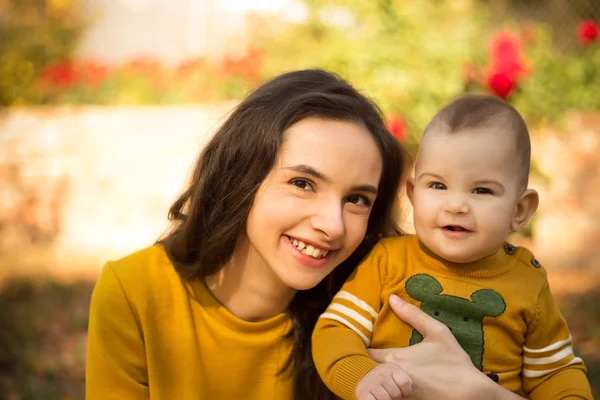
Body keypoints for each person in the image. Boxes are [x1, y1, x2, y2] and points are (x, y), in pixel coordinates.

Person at [86, 70, 531, 400]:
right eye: (302, 183)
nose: (333, 225)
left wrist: (485, 395)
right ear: (241, 175)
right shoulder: (134, 292)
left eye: (357, 199)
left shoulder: (379, 305)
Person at [312, 94, 593, 400]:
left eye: (482, 190)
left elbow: (557, 374)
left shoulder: (528, 284)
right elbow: (336, 330)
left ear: (519, 210)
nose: (456, 205)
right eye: (438, 185)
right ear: (414, 193)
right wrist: (362, 376)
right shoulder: (388, 261)